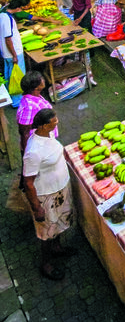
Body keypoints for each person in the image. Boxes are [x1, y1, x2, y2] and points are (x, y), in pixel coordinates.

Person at [22, 108, 73, 280]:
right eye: (54, 120)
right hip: (46, 196)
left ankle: (57, 248)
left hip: (60, 189)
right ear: (44, 126)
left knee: (58, 222)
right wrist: (37, 208)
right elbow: (28, 182)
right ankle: (46, 264)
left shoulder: (47, 135)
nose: (57, 121)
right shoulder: (33, 151)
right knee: (46, 231)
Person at [17, 71, 56, 157]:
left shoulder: (36, 96)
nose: (43, 79)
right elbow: (24, 132)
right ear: (36, 87)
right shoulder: (29, 106)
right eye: (41, 79)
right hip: (38, 147)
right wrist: (28, 155)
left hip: (46, 141)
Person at [0, 1, 25, 107]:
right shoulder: (6, 18)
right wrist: (14, 55)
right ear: (18, 8)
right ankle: (17, 101)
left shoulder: (2, 15)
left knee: (9, 74)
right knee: (17, 76)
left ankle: (10, 97)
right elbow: (8, 38)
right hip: (13, 52)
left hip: (6, 52)